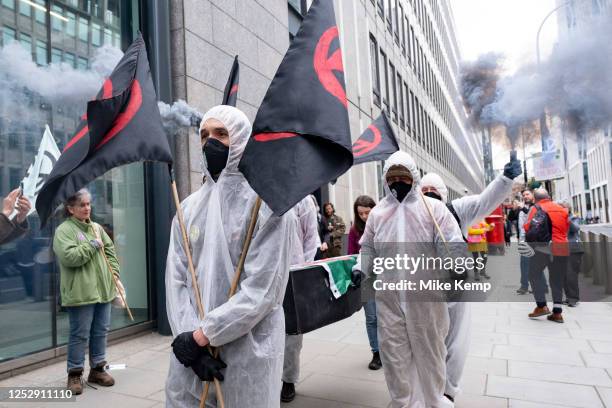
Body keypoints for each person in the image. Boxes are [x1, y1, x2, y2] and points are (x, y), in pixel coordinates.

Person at [164, 105, 297, 408]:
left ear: (241, 139)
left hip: (247, 352)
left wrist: (204, 334)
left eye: (221, 134)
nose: (211, 142)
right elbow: (177, 280)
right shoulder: (188, 209)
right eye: (204, 135)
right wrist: (190, 342)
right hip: (192, 353)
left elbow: (262, 290)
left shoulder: (267, 206)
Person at [358, 151, 464, 408]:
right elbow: (368, 248)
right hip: (389, 300)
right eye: (392, 177)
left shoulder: (434, 209)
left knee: (431, 355)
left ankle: (434, 402)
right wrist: (361, 269)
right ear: (385, 179)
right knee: (394, 358)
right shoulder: (378, 213)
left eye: (403, 176)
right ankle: (402, 403)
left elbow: (452, 242)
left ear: (413, 177)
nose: (398, 182)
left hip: (426, 299)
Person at [420, 154, 520, 403]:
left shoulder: (458, 210)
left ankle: (448, 390)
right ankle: (427, 388)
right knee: (425, 340)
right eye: (425, 189)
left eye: (435, 189)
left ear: (443, 193)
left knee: (455, 340)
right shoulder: (412, 214)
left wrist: (505, 179)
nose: (430, 192)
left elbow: (485, 202)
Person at [52, 189, 118, 395]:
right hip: (81, 293)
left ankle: (98, 369)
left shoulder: (97, 227)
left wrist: (113, 273)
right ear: (70, 208)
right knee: (79, 334)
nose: (87, 208)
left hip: (103, 290)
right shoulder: (64, 230)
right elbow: (69, 257)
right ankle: (74, 373)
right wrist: (91, 245)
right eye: (82, 205)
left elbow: (110, 251)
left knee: (101, 331)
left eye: (89, 204)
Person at [281, 194, 321, 403]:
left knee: (292, 334)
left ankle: (288, 379)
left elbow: (310, 238)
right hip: (265, 275)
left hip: (293, 272)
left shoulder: (302, 199)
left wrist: (302, 271)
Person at [523, 188, 569, 323]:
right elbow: (566, 227)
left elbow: (528, 227)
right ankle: (557, 313)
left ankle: (542, 306)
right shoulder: (561, 209)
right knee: (557, 279)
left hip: (543, 249)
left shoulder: (536, 208)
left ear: (535, 199)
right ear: (549, 196)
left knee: (533, 274)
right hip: (561, 248)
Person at [347, 195, 381, 371]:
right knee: (371, 317)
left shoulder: (383, 224)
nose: (365, 216)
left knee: (388, 317)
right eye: (361, 213)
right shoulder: (354, 230)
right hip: (367, 277)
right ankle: (376, 352)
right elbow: (351, 255)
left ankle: (389, 351)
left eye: (368, 212)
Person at [560, 201, 582, 307]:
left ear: (568, 209)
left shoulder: (574, 218)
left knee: (571, 274)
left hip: (573, 249)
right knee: (563, 275)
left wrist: (566, 218)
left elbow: (576, 228)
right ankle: (568, 297)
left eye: (563, 208)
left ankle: (574, 298)